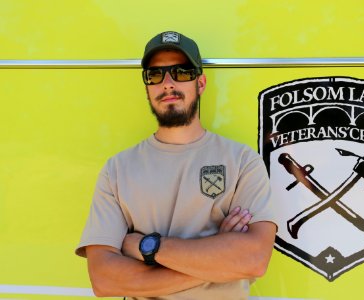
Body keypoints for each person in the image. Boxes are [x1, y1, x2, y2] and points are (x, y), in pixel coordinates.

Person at [75, 30, 277, 300]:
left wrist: (147, 247)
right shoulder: (118, 169)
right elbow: (104, 280)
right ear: (147, 88)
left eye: (181, 72)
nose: (168, 83)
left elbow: (253, 259)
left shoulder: (242, 160)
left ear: (201, 83)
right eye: (155, 75)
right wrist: (218, 260)